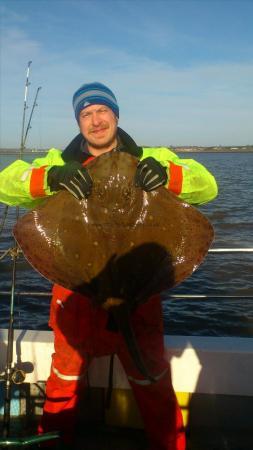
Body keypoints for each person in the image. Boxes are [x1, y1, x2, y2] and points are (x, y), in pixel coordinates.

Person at [0, 82, 218, 450]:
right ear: (78, 122)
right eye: (86, 113)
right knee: (64, 381)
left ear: (116, 114)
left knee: (152, 380)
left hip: (139, 294)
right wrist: (49, 178)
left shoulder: (153, 156)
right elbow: (7, 184)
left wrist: (169, 174)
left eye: (102, 110)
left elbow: (207, 186)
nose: (95, 120)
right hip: (76, 290)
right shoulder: (58, 162)